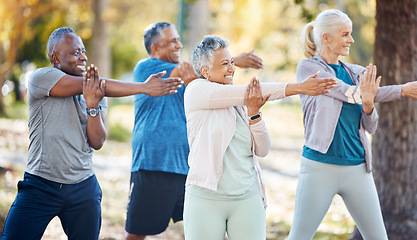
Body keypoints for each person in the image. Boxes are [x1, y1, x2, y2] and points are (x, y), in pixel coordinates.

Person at [0, 27, 183, 240]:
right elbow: (92, 85)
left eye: (83, 51)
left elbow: (97, 141)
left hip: (83, 188)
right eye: (75, 52)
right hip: (41, 185)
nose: (83, 57)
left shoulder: (97, 93)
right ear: (56, 57)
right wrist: (142, 87)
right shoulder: (42, 78)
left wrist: (93, 105)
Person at [183, 35, 337, 240]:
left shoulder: (239, 103)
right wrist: (299, 87)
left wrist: (254, 113)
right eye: (224, 64)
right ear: (205, 72)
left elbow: (263, 150)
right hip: (205, 198)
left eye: (231, 62)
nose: (231, 68)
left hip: (247, 197)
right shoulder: (196, 90)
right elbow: (253, 91)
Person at [125, 22, 269, 240]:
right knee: (138, 232)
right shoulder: (146, 68)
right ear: (155, 48)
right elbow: (190, 71)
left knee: (194, 227)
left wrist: (230, 63)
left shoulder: (194, 79)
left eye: (178, 39)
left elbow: (205, 73)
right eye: (172, 40)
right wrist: (236, 60)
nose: (178, 44)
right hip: (154, 163)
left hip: (189, 164)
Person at [288, 9, 417, 240]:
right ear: (325, 37)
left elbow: (371, 125)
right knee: (299, 237)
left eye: (351, 34)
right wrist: (402, 89)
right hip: (320, 167)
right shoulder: (309, 69)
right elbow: (347, 93)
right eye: (345, 34)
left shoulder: (357, 72)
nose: (351, 40)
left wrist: (368, 104)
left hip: (358, 169)